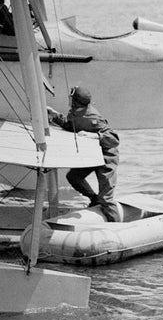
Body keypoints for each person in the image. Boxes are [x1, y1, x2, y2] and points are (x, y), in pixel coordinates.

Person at [48, 86, 121, 222]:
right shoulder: (74, 112)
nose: (68, 99)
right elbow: (71, 125)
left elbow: (114, 138)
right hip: (92, 156)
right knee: (73, 177)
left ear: (76, 101)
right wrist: (54, 115)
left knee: (106, 198)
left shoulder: (93, 117)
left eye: (71, 97)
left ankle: (117, 228)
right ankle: (94, 199)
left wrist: (93, 135)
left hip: (106, 157)